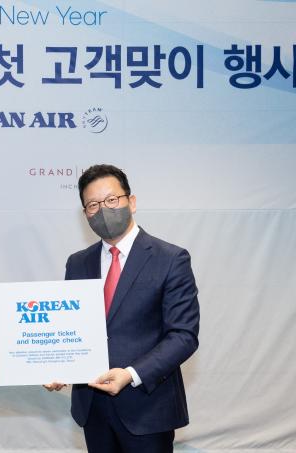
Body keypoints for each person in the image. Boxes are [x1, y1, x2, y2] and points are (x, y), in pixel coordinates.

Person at [45, 164, 200, 453]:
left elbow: (183, 336)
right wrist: (57, 365)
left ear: (132, 202)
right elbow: (70, 329)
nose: (103, 210)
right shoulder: (77, 263)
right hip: (93, 408)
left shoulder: (171, 259)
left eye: (112, 200)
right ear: (85, 214)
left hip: (148, 408)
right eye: (93, 205)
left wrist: (131, 374)